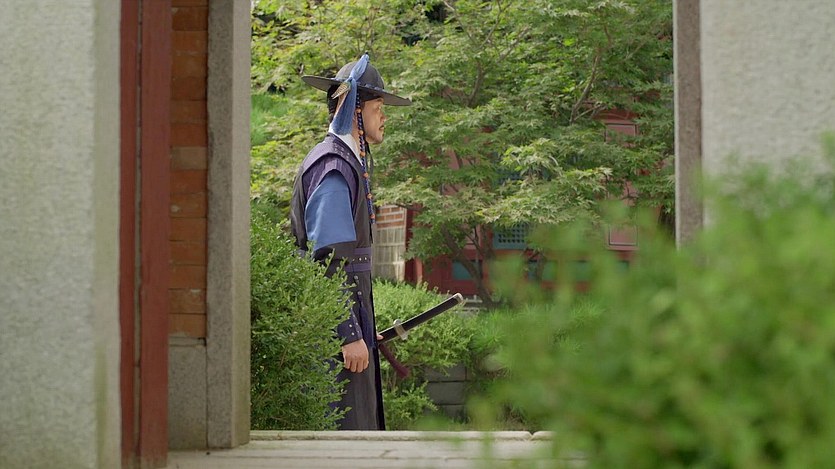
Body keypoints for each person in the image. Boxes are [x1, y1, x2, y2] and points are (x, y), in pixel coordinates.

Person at [290, 54, 411, 430]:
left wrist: (363, 327)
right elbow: (328, 260)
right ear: (353, 109)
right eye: (377, 108)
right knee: (344, 436)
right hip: (334, 338)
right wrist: (349, 333)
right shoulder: (333, 167)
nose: (384, 117)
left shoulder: (347, 163)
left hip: (345, 328)